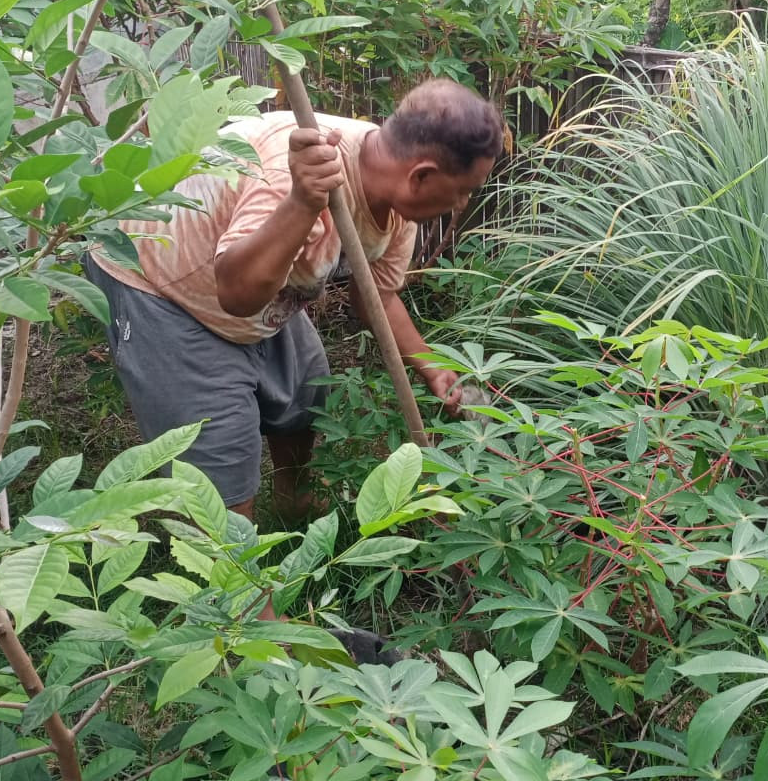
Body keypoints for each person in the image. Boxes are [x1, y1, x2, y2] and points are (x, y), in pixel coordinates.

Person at [85, 78, 502, 522]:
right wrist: (303, 204)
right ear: (422, 176)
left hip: (257, 278)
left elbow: (376, 296)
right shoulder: (295, 177)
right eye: (464, 190)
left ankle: (294, 508)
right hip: (161, 276)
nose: (462, 204)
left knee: (304, 391)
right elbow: (237, 296)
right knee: (216, 457)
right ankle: (227, 552)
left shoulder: (394, 196)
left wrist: (434, 369)